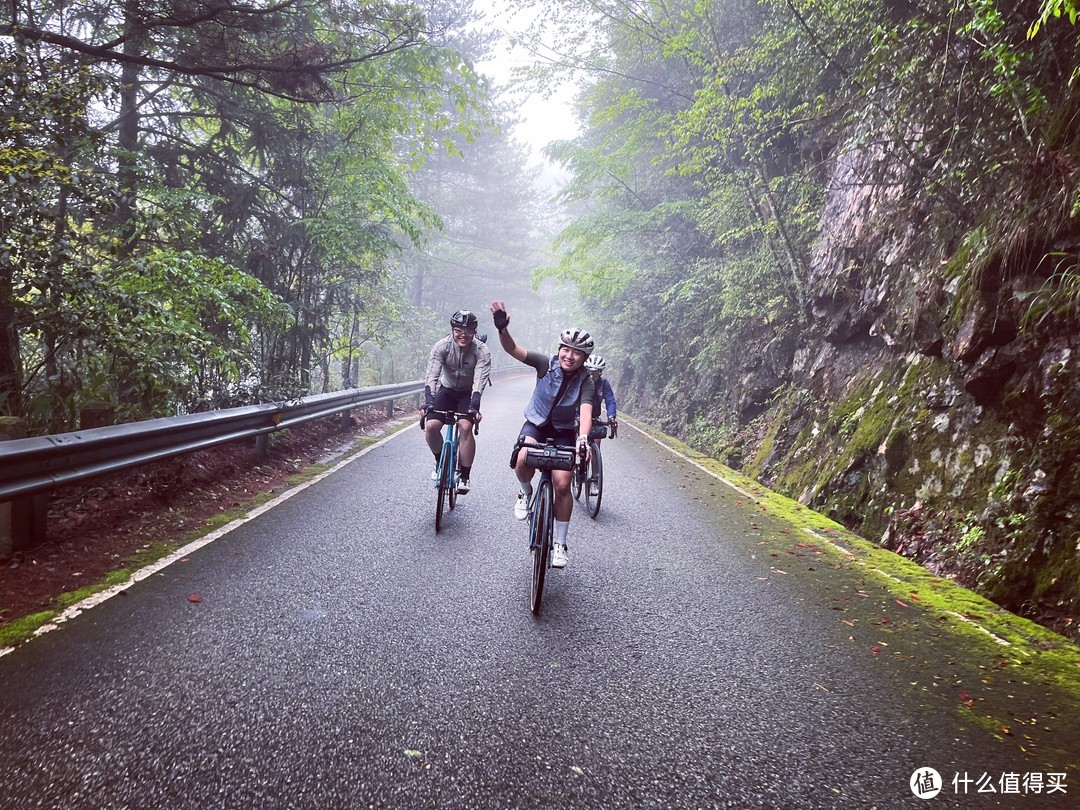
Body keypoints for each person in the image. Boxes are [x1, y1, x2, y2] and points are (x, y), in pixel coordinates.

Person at [489, 300, 595, 569]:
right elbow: (513, 349)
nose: (569, 356)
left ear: (583, 358)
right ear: (559, 349)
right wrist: (502, 329)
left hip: (564, 432)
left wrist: (583, 439)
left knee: (562, 483)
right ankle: (525, 492)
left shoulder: (587, 381)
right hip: (536, 423)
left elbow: (585, 411)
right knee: (523, 457)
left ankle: (559, 543)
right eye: (566, 349)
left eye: (577, 353)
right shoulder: (544, 364)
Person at [421, 309, 492, 493]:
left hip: (468, 392)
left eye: (468, 331)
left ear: (474, 332)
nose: (463, 335)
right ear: (452, 330)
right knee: (431, 426)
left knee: (465, 427)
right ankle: (439, 462)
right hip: (447, 389)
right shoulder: (441, 347)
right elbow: (432, 376)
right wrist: (429, 401)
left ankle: (465, 475)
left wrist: (474, 406)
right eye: (459, 330)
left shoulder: (481, 351)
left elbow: (479, 381)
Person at [583, 353, 617, 496]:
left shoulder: (604, 384)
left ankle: (595, 479)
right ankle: (573, 468)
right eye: (589, 372)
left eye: (595, 373)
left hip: (595, 417)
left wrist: (611, 416)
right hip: (578, 416)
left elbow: (610, 400)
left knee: (595, 446)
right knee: (573, 442)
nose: (592, 375)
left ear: (600, 373)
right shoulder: (580, 381)